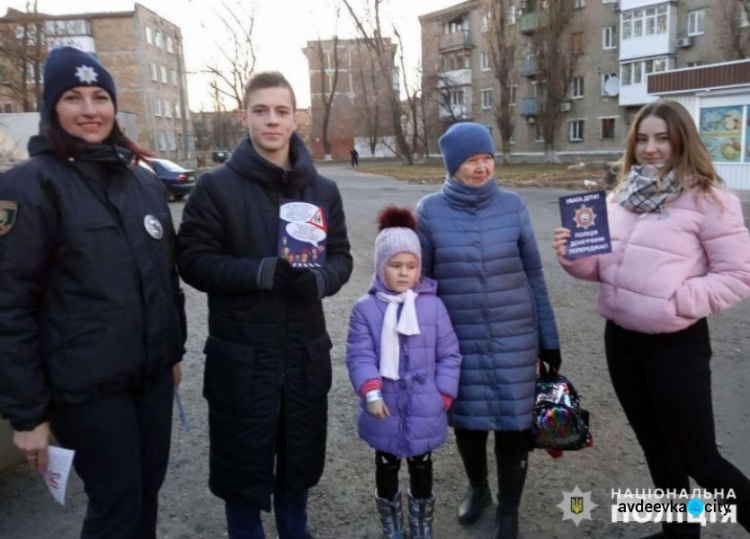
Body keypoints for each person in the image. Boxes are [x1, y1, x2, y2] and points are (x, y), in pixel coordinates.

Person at [0, 46, 186, 539]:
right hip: (85, 388)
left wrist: (172, 352)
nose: (90, 109)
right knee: (115, 503)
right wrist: (27, 414)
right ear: (52, 109)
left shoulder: (140, 181)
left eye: (100, 96)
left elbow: (165, 276)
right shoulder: (28, 186)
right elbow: (9, 306)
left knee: (147, 493)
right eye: (74, 97)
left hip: (149, 379)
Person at [554, 100, 750, 538]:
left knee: (701, 459)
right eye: (642, 138)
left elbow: (739, 275)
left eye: (662, 137)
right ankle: (679, 532)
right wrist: (573, 257)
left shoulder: (710, 200)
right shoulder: (619, 197)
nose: (651, 148)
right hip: (622, 340)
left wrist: (677, 300)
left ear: (682, 139)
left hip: (675, 345)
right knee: (656, 446)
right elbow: (599, 268)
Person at [177, 71, 352, 539]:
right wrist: (258, 272)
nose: (271, 121)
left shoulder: (322, 191)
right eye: (261, 111)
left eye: (281, 111)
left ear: (295, 120)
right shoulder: (216, 188)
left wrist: (319, 282)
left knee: (297, 467)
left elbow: (342, 259)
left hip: (302, 356)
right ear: (245, 117)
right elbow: (192, 260)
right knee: (243, 475)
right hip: (242, 359)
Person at [416, 122, 562, 539]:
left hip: (516, 336)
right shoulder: (428, 211)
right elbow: (423, 285)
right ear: (452, 165)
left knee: (515, 425)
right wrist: (424, 344)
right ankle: (479, 489)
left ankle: (509, 509)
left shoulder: (513, 205)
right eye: (470, 161)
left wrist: (548, 339)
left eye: (487, 158)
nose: (481, 168)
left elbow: (534, 274)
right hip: (458, 339)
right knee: (469, 421)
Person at [346, 206, 462, 539]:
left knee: (423, 465)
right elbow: (359, 353)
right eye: (395, 266)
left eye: (411, 266)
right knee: (386, 464)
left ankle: (422, 522)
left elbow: (449, 353)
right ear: (381, 266)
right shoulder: (366, 309)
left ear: (419, 268)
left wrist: (443, 393)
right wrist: (370, 390)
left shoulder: (433, 306)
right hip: (384, 403)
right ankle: (392, 523)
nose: (403, 273)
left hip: (426, 403)